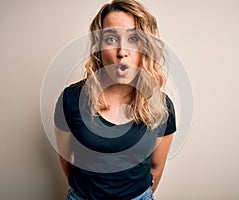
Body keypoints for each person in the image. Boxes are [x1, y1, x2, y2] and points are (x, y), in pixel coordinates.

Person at [54, 0, 176, 199]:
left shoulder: (162, 107)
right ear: (98, 47)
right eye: (111, 39)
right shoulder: (71, 100)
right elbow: (66, 159)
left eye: (133, 39)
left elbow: (156, 167)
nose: (122, 52)